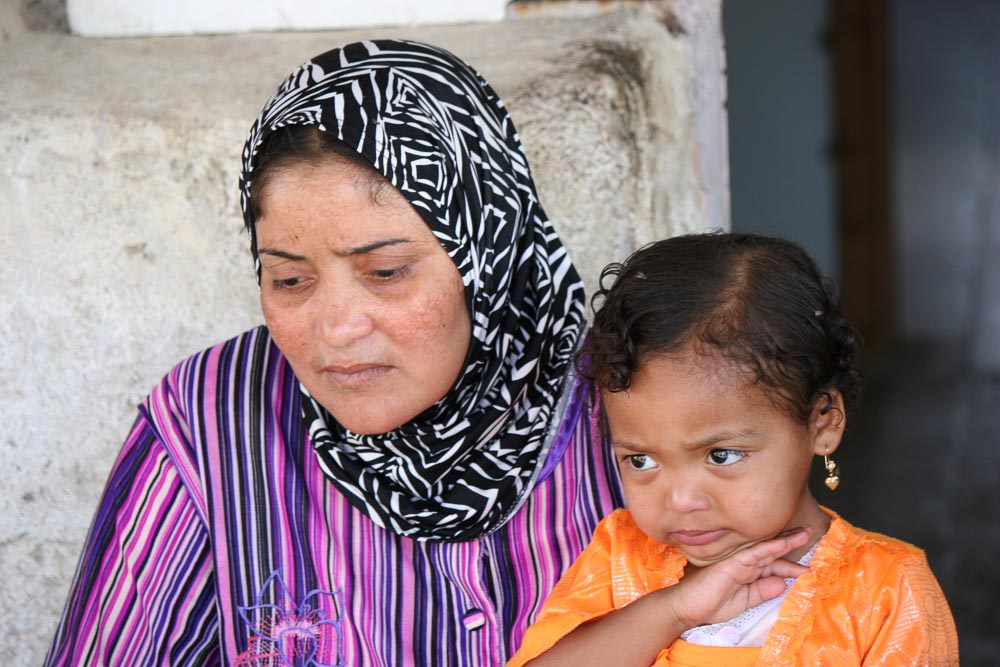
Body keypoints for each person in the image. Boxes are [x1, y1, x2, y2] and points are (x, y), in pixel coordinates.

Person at [45, 40, 624, 666]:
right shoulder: (206, 421)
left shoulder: (633, 405)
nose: (338, 329)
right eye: (290, 281)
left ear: (492, 256)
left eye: (387, 271)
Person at [507, 232, 959, 667]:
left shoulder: (886, 589)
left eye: (720, 455)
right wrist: (674, 611)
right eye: (640, 460)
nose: (681, 500)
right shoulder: (621, 557)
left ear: (823, 421)